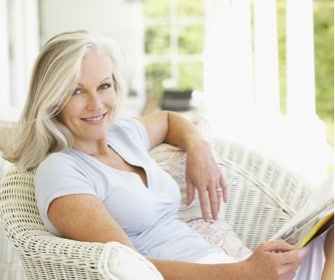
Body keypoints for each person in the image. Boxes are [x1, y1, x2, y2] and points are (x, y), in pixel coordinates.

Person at [4, 30, 333, 280]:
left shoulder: (123, 136)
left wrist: (198, 147)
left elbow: (168, 120)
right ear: (52, 99)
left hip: (222, 264)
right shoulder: (61, 171)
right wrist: (245, 271)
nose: (97, 104)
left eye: (104, 86)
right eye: (77, 91)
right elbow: (132, 269)